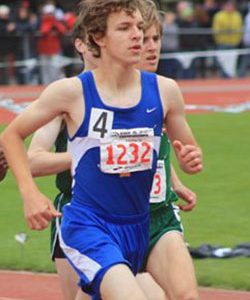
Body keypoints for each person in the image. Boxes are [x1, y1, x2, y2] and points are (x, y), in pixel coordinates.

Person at [0, 0, 202, 299]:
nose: (139, 37)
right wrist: (30, 194)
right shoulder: (70, 92)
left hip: (149, 221)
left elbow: (185, 152)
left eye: (140, 29)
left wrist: (188, 161)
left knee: (187, 296)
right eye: (124, 28)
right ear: (98, 38)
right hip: (91, 226)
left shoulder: (165, 90)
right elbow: (11, 136)